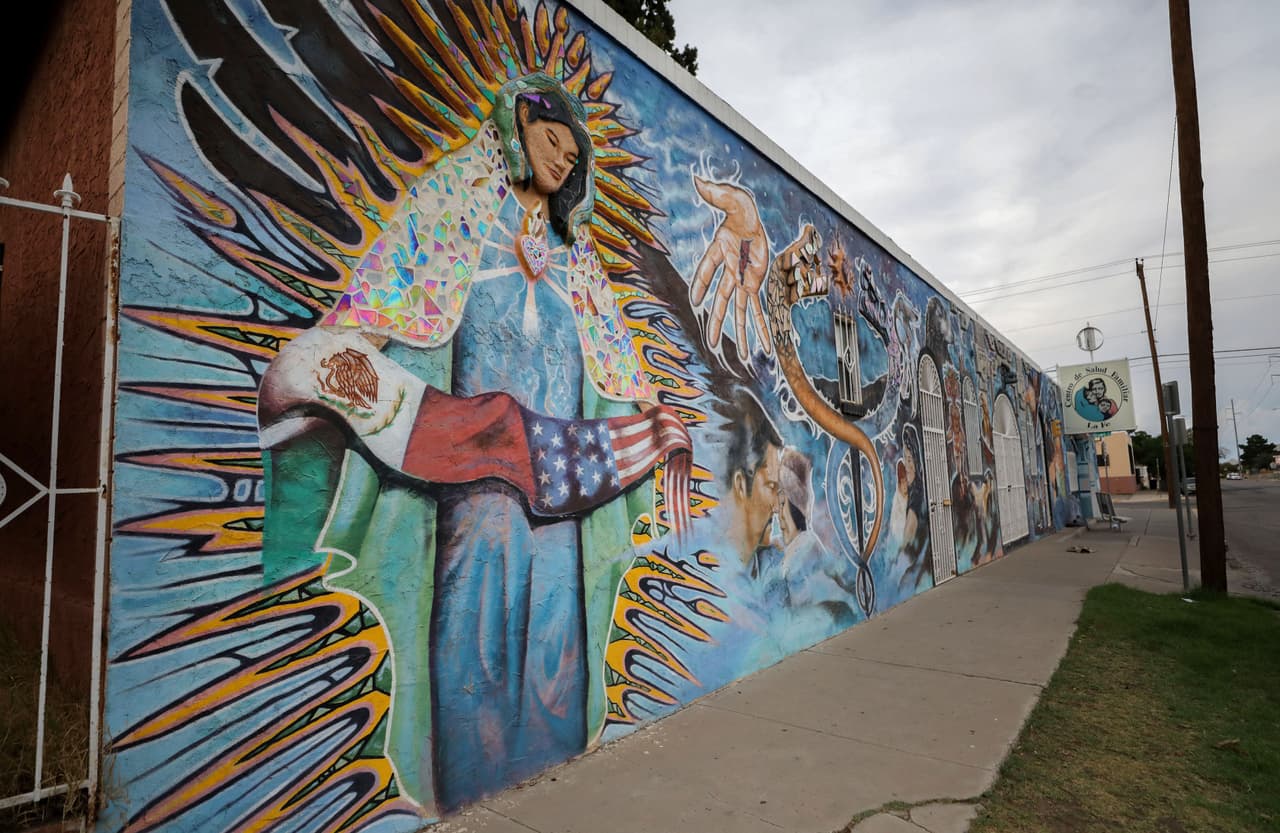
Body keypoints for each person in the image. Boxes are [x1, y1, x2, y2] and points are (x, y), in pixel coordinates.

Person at [257, 73, 689, 814]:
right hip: (472, 509)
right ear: (521, 125)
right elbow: (372, 315)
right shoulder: (456, 213)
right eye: (555, 138)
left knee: (557, 667)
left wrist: (657, 417)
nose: (565, 159)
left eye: (576, 152)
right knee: (471, 665)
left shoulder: (575, 259)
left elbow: (615, 359)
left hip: (560, 516)